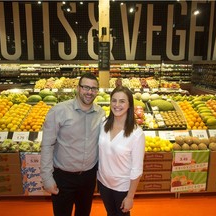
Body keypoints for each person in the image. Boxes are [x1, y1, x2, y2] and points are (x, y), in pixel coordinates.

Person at [41, 73, 105, 216]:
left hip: (88, 178)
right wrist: (46, 177)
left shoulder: (100, 114)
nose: (89, 92)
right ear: (78, 88)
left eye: (94, 89)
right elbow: (47, 145)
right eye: (86, 87)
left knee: (84, 213)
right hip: (63, 178)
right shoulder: (58, 111)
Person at [97, 86, 145, 216]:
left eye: (122, 101)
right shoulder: (103, 124)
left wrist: (130, 196)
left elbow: (137, 169)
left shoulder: (136, 134)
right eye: (114, 100)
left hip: (122, 187)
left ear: (129, 105)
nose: (117, 105)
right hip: (103, 183)